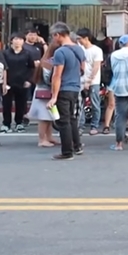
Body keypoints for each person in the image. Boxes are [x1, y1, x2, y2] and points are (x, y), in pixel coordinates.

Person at [47, 22, 86, 161]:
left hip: (63, 89)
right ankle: (77, 146)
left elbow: (57, 75)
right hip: (75, 88)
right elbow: (83, 69)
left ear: (58, 35)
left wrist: (54, 96)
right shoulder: (79, 49)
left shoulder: (60, 52)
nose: (53, 39)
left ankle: (67, 152)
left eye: (53, 36)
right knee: (72, 118)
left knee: (64, 121)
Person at [1, 33, 37, 133]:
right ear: (11, 41)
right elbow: (3, 68)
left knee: (21, 104)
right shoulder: (5, 53)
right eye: (16, 39)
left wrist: (29, 80)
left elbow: (32, 68)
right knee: (6, 104)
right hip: (8, 82)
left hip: (22, 82)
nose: (18, 41)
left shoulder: (27, 53)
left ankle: (19, 123)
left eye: (20, 39)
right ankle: (6, 124)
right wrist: (3, 83)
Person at [29, 42, 60, 147]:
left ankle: (49, 137)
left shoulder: (45, 61)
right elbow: (48, 79)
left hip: (42, 90)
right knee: (44, 117)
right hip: (45, 91)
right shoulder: (49, 63)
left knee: (49, 117)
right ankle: (42, 139)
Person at [76, 28, 104, 135]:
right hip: (80, 80)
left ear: (86, 38)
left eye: (80, 38)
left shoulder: (97, 50)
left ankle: (94, 126)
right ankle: (80, 126)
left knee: (95, 104)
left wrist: (89, 80)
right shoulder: (79, 49)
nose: (78, 41)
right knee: (80, 104)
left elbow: (96, 67)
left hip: (94, 81)